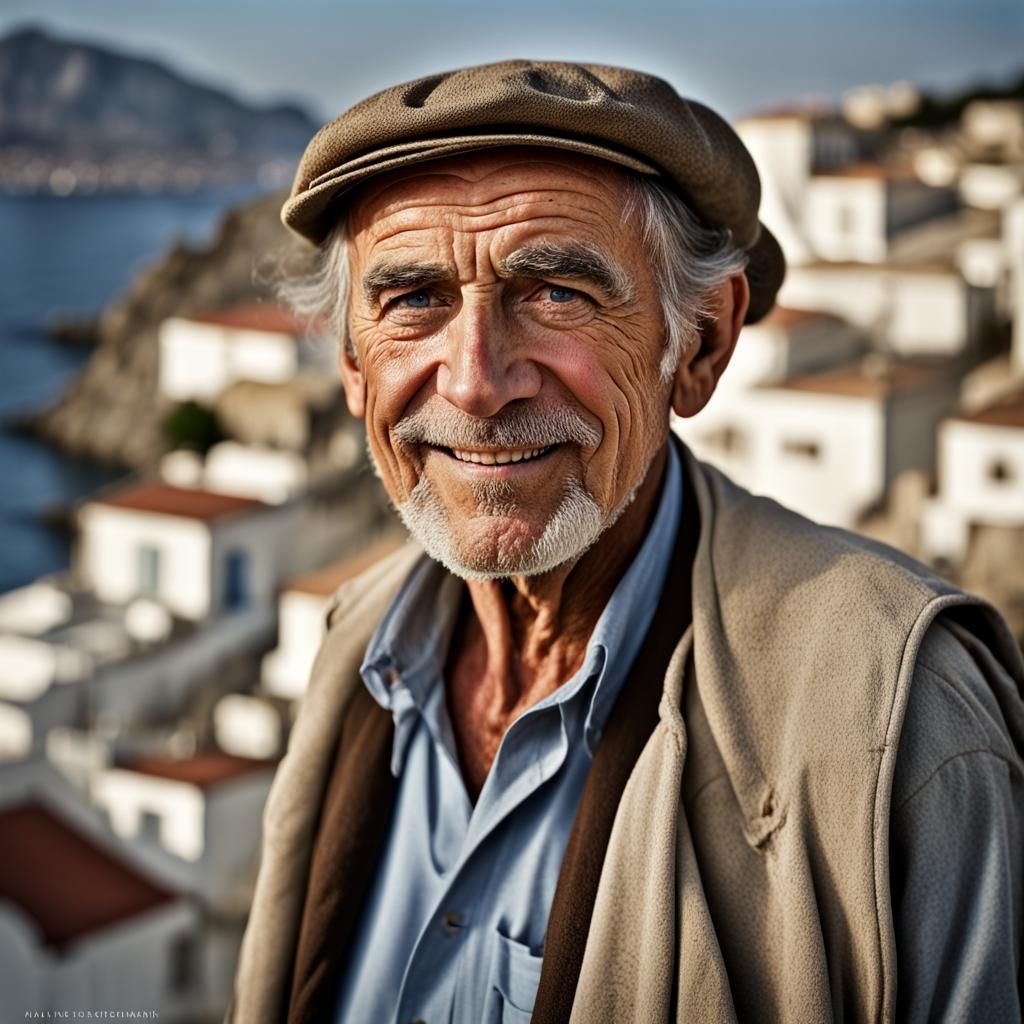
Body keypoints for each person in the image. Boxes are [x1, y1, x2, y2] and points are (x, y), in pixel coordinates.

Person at [229, 61, 1024, 1024]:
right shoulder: (357, 646)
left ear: (698, 344)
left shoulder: (897, 714)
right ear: (354, 365)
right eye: (414, 301)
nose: (476, 383)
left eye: (558, 292)